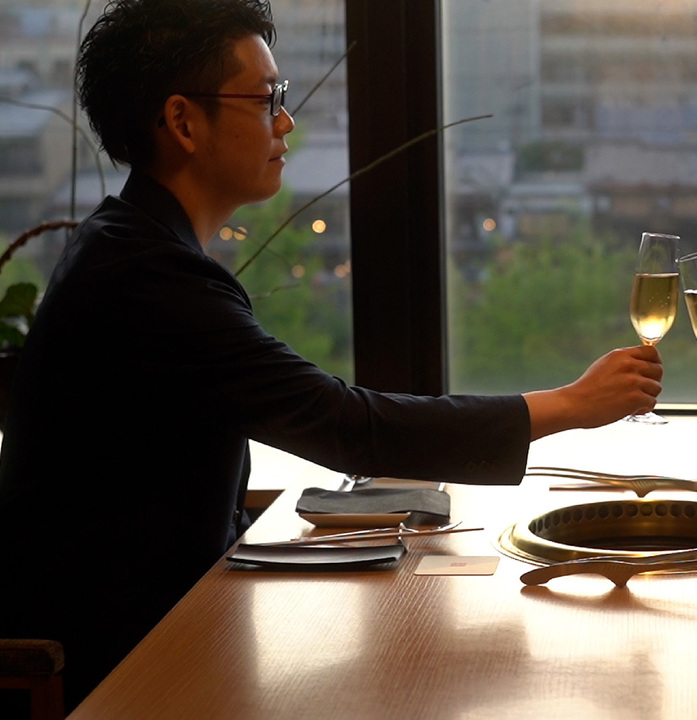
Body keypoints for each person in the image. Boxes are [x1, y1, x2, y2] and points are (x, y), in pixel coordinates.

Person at [0, 0, 662, 709]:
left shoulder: (128, 246)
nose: (285, 122)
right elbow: (347, 425)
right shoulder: (149, 279)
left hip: (170, 625)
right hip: (117, 665)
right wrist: (568, 405)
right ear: (183, 122)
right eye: (265, 100)